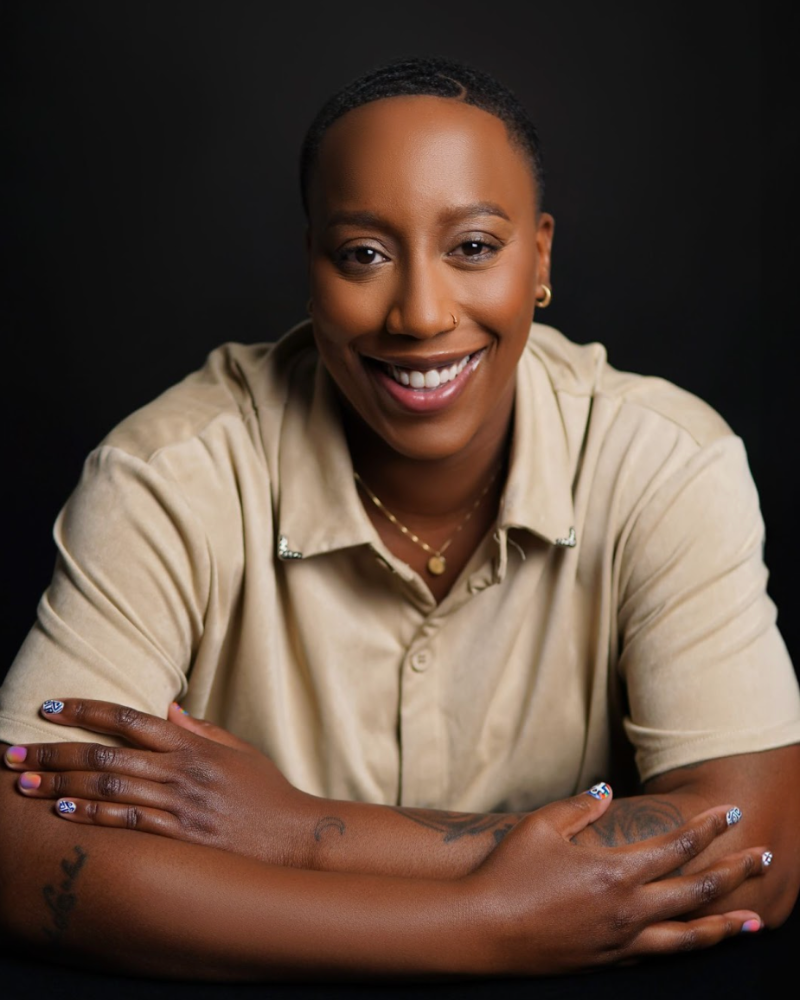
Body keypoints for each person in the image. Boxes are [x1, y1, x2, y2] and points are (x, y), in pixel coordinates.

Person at [1, 56, 798, 980]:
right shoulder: (170, 475)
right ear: (311, 266)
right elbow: (21, 850)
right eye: (364, 255)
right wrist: (485, 926)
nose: (420, 314)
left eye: (474, 247)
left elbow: (758, 849)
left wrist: (307, 833)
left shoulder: (665, 461)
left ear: (540, 258)